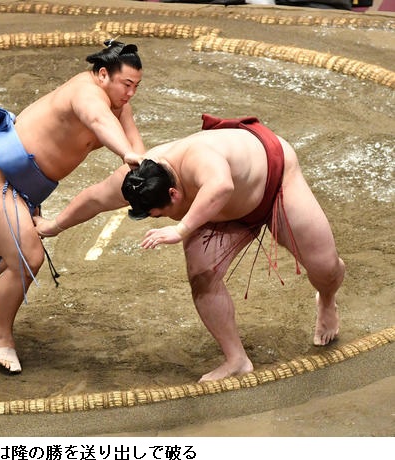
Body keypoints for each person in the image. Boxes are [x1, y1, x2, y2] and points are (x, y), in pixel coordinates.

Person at [35, 115, 346, 382]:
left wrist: (181, 228)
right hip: (221, 213)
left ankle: (327, 300)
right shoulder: (143, 175)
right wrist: (54, 225)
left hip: (276, 182)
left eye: (160, 214)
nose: (160, 219)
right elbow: (94, 198)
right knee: (201, 273)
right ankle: (236, 359)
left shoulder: (199, 157)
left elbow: (221, 186)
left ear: (173, 194)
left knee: (325, 267)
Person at [0, 40, 145, 375]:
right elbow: (99, 121)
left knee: (11, 239)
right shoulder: (85, 93)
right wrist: (126, 154)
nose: (130, 93)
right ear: (103, 74)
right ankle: (2, 337)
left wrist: (144, 169)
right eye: (126, 84)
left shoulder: (119, 105)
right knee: (29, 256)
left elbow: (136, 148)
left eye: (136, 87)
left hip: (23, 185)